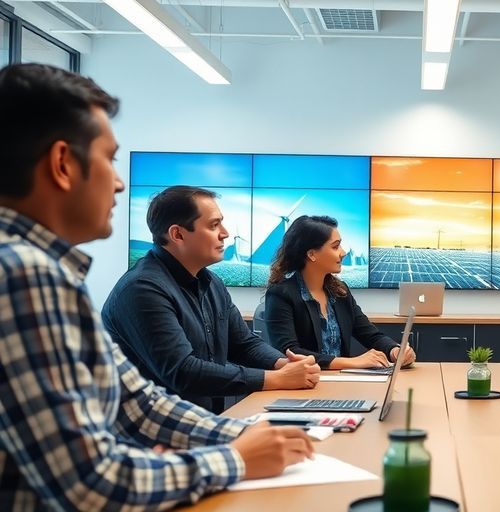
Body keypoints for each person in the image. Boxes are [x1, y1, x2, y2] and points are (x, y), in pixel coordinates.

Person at [0, 63, 313, 510]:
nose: (120, 181)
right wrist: (232, 459)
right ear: (63, 165)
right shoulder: (24, 275)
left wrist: (251, 437)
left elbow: (138, 403)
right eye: (109, 159)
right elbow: (90, 483)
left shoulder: (46, 272)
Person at [103, 186, 320, 413]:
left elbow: (243, 344)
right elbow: (183, 371)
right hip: (154, 436)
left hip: (204, 421)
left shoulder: (211, 282)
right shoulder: (142, 289)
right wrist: (277, 379)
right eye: (214, 225)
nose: (225, 233)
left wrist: (283, 364)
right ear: (177, 234)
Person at [264, 215, 416, 369]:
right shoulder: (280, 294)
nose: (343, 253)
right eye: (335, 247)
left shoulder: (340, 291)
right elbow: (290, 353)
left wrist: (395, 350)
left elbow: (370, 334)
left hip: (340, 383)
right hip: (303, 385)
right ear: (311, 254)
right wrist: (353, 362)